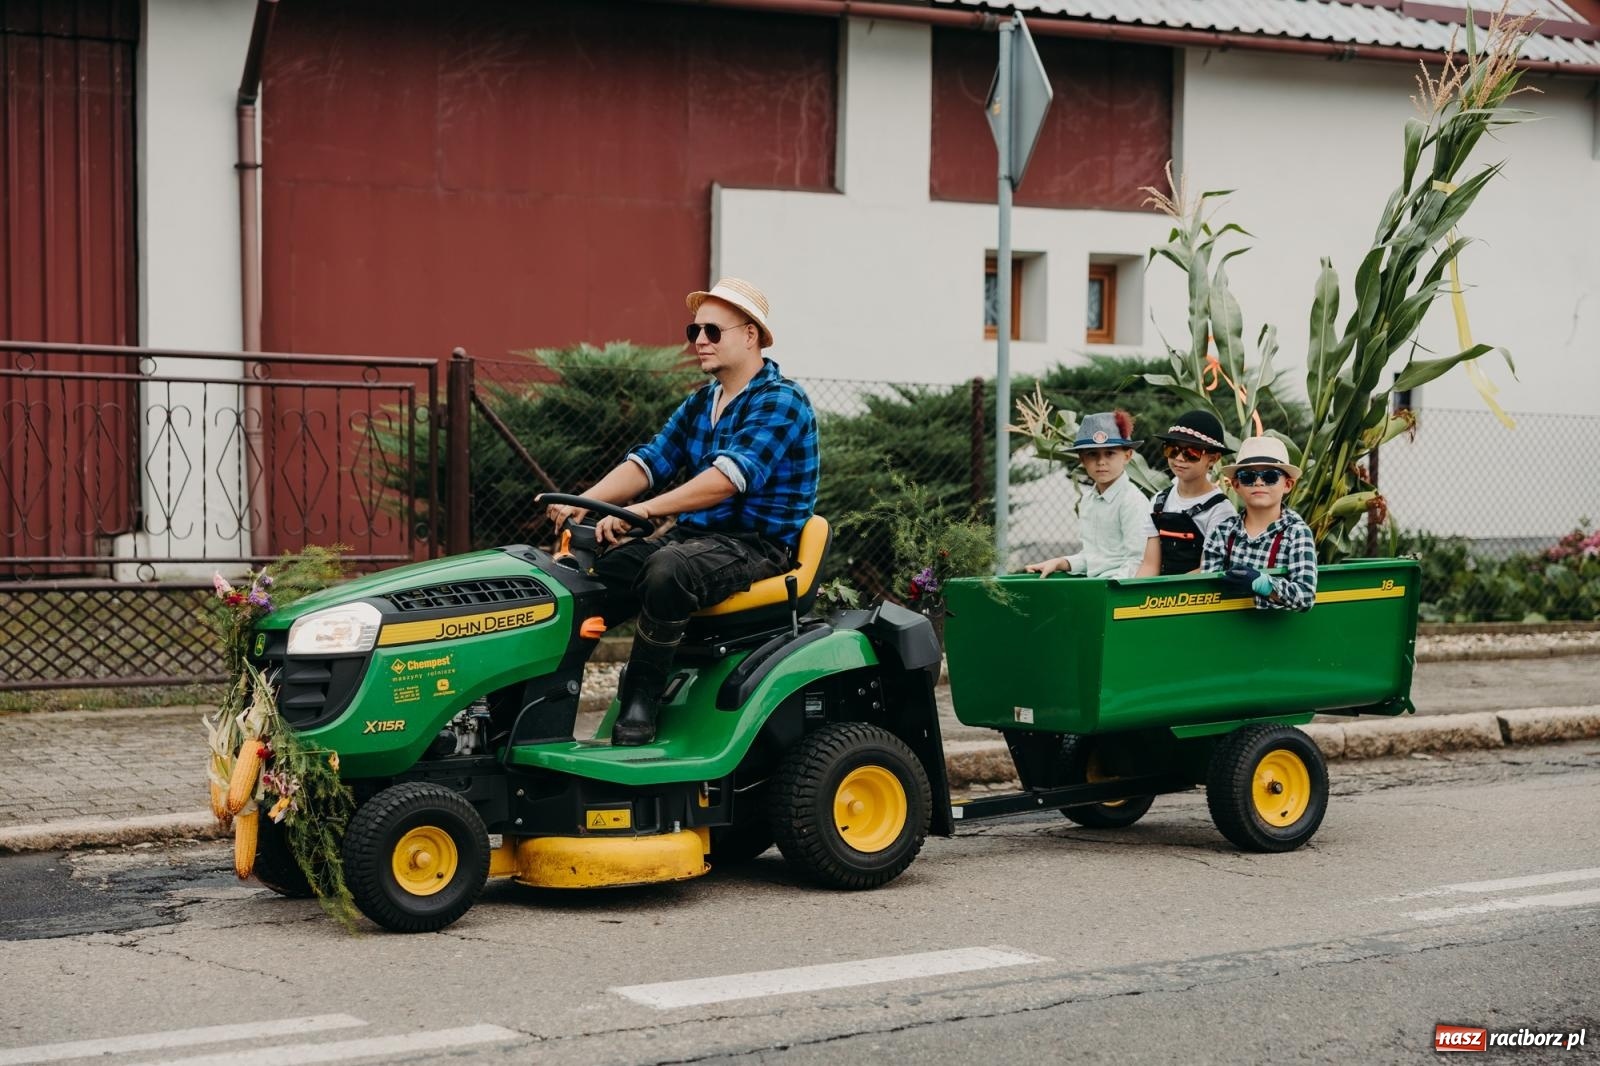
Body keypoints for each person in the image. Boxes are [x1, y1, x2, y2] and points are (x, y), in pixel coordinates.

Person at [543, 278, 819, 745]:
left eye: (713, 331)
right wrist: (582, 503)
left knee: (666, 567)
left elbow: (727, 479)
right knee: (589, 577)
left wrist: (642, 512)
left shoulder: (781, 401)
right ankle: (540, 710)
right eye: (694, 333)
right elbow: (649, 462)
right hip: (696, 541)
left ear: (750, 335)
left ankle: (640, 701)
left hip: (756, 546)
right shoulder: (700, 403)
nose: (700, 342)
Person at [1024, 410, 1154, 580]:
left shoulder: (1132, 501)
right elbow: (1093, 558)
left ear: (1127, 456)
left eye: (1110, 453)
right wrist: (1059, 562)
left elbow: (1138, 561)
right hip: (1095, 585)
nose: (1101, 462)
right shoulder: (1088, 500)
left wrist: (1107, 590)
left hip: (1119, 589)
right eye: (1092, 454)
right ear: (1082, 460)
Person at [1200, 435, 1317, 611]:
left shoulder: (1297, 533)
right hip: (1227, 628)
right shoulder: (1222, 532)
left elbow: (1305, 596)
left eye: (1270, 476)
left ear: (1288, 485)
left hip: (1277, 632)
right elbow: (1207, 593)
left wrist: (1262, 584)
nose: (1259, 482)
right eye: (1248, 477)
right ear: (1236, 485)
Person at [1135, 410, 1233, 577]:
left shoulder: (1221, 510)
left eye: (1192, 453)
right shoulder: (1159, 501)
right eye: (1172, 450)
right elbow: (1150, 565)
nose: (1179, 458)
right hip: (1159, 595)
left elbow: (1207, 569)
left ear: (1213, 459)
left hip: (1198, 595)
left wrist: (1166, 595)